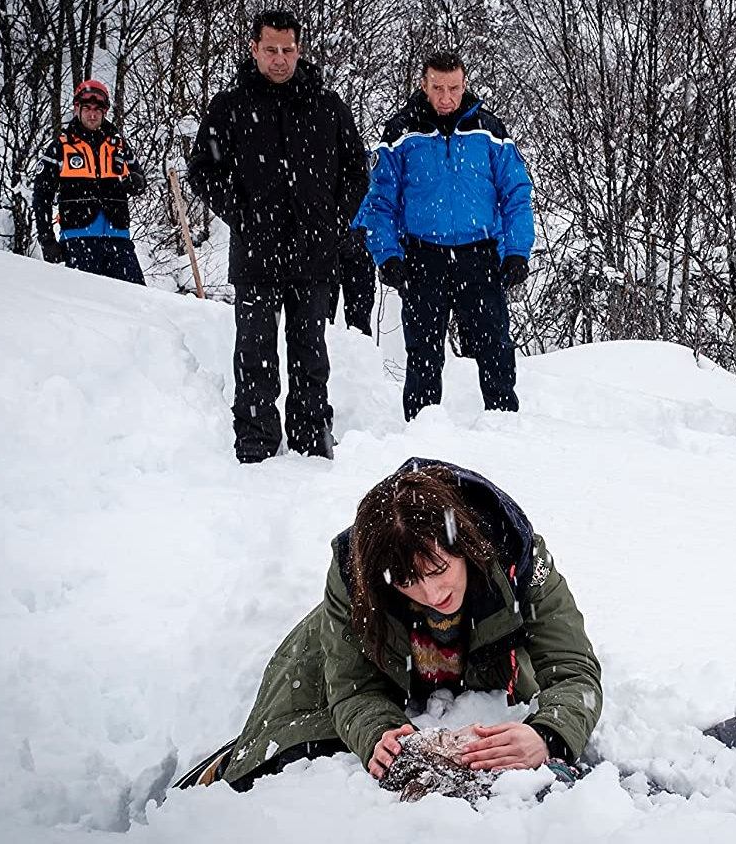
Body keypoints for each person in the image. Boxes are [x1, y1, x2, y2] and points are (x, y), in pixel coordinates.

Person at [175, 458, 602, 792]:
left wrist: (547, 734)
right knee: (286, 755)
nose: (433, 595)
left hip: (485, 671)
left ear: (464, 546)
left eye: (438, 569)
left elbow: (574, 668)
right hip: (374, 666)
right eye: (409, 582)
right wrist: (378, 734)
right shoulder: (353, 577)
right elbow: (352, 688)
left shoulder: (515, 555)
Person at [187, 10, 367, 463]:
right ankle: (255, 442)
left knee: (311, 353)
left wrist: (332, 220)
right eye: (271, 50)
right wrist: (242, 213)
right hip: (256, 255)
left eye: (288, 50)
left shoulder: (328, 107)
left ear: (299, 49)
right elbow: (202, 170)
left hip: (314, 255)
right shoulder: (228, 108)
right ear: (254, 49)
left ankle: (311, 438)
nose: (280, 59)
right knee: (254, 352)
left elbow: (356, 172)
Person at [361, 51, 533, 421]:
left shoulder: (489, 131)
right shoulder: (401, 134)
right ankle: (423, 430)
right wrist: (387, 255)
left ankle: (503, 427)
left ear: (464, 84)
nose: (446, 97)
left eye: (453, 88)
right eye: (437, 88)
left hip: (480, 256)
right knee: (423, 354)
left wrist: (517, 250)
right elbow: (378, 202)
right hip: (424, 259)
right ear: (424, 85)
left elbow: (516, 193)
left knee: (495, 350)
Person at [31, 79, 147, 284]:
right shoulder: (61, 147)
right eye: (87, 109)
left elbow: (140, 180)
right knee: (85, 307)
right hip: (78, 239)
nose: (92, 114)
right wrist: (46, 239)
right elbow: (42, 195)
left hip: (118, 239)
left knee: (137, 303)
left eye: (97, 109)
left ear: (105, 112)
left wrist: (136, 182)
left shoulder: (118, 146)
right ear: (77, 109)